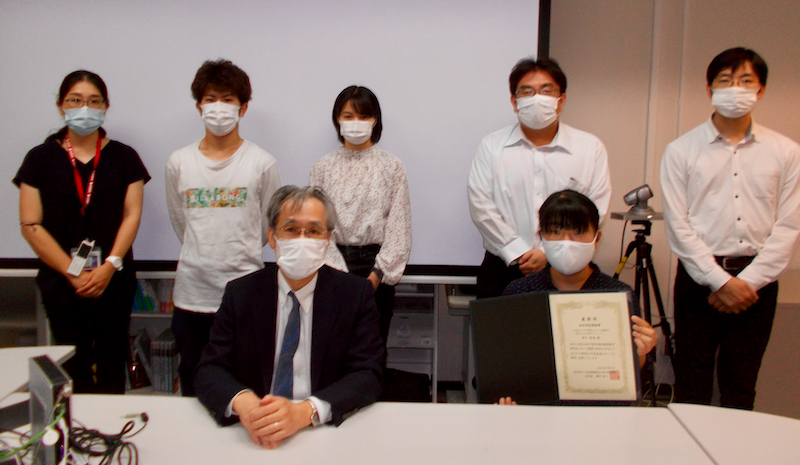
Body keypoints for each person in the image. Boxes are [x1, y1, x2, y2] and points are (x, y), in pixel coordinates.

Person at [660, 47, 800, 410]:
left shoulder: (786, 151)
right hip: (698, 280)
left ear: (761, 90)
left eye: (745, 81)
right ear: (710, 89)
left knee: (741, 386)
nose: (735, 88)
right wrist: (719, 281)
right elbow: (678, 225)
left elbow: (788, 225)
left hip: (758, 284)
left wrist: (747, 283)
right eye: (725, 80)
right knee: (692, 386)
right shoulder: (681, 150)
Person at [194, 186, 383, 449]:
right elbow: (210, 369)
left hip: (326, 437)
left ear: (328, 239)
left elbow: (368, 374)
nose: (302, 240)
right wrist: (245, 404)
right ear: (272, 236)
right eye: (291, 229)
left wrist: (306, 411)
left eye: (314, 231)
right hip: (253, 434)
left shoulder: (355, 294)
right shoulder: (241, 293)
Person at [13, 70, 150, 393]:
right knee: (72, 368)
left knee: (112, 364)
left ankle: (110, 424)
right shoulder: (39, 159)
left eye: (93, 101)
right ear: (61, 106)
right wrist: (71, 272)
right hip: (62, 283)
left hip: (112, 280)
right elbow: (31, 225)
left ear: (105, 107)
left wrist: (109, 266)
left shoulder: (125, 157)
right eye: (75, 100)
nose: (84, 108)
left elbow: (132, 214)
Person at [166, 59, 281, 396]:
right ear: (199, 105)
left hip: (245, 297)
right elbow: (181, 222)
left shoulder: (262, 163)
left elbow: (268, 226)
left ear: (243, 108)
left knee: (247, 390)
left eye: (228, 99)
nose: (218, 107)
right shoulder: (179, 162)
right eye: (211, 98)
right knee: (194, 386)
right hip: (192, 296)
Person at [468, 57, 612, 299]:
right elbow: (481, 206)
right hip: (502, 267)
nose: (536, 98)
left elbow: (596, 208)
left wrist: (548, 252)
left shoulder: (589, 148)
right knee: (498, 325)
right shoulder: (492, 146)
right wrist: (516, 252)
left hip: (569, 269)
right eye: (527, 91)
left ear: (561, 99)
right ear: (514, 101)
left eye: (546, 91)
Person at [498, 190, 657, 405]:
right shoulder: (519, 292)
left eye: (578, 231)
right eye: (555, 231)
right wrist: (506, 400)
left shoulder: (618, 295)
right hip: (535, 412)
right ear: (541, 236)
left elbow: (637, 380)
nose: (567, 242)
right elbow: (502, 366)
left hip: (599, 414)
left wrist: (641, 353)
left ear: (596, 238)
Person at [309, 85, 411, 345]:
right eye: (348, 116)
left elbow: (399, 227)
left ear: (375, 120)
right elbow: (315, 227)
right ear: (337, 120)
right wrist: (338, 275)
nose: (355, 122)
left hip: (375, 269)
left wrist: (376, 275)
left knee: (372, 349)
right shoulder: (322, 168)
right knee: (331, 349)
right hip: (331, 266)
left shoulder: (392, 167)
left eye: (363, 116)